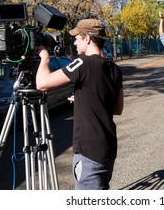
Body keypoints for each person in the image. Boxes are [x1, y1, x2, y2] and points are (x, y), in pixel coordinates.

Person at [36, 19, 124, 190]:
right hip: (108, 148)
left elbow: (42, 83)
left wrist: (45, 58)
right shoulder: (114, 68)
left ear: (88, 39)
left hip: (89, 152)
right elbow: (117, 109)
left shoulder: (83, 63)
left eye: (77, 38)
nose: (75, 42)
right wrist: (86, 98)